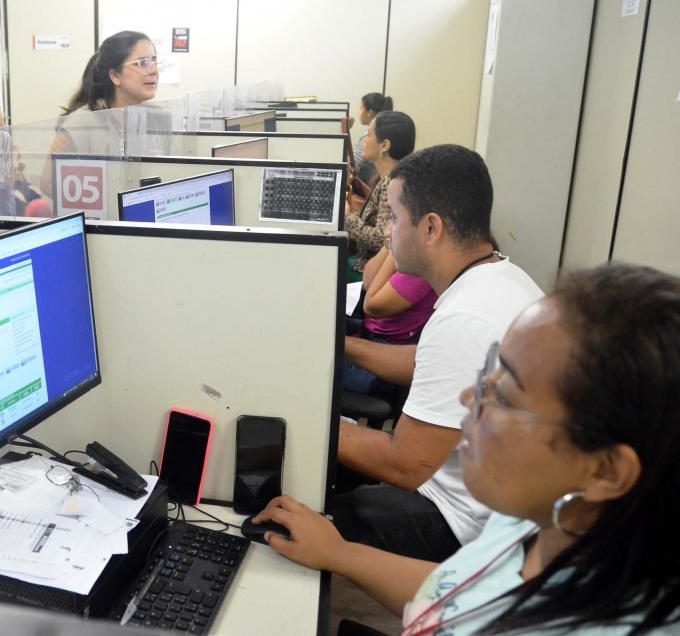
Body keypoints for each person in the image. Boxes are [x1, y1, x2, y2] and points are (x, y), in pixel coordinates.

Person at [256, 263, 680, 635]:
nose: (467, 399)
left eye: (507, 396)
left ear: (606, 471)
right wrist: (341, 555)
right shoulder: (544, 523)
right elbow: (464, 586)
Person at [337, 144, 543, 562]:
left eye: (395, 218)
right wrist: (342, 346)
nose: (389, 233)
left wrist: (304, 419)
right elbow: (424, 362)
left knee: (315, 511)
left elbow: (405, 464)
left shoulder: (466, 318)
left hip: (460, 522)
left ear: (431, 228)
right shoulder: (498, 275)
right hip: (492, 500)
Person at [41, 30, 162, 196]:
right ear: (115, 76)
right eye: (142, 63)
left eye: (154, 61)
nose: (154, 70)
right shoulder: (81, 124)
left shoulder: (156, 117)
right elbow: (48, 184)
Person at [343, 244, 436, 395]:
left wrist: (395, 244)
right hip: (370, 334)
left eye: (395, 220)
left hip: (383, 362)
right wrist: (390, 244)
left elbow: (372, 306)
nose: (386, 231)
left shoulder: (419, 263)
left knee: (309, 357)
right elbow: (368, 281)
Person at [344, 110, 414, 273]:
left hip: (368, 269)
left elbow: (382, 239)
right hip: (369, 265)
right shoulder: (388, 177)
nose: (364, 141)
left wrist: (347, 218)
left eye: (368, 135)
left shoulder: (392, 185)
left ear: (384, 145)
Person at [347, 92, 393, 187]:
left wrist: (345, 130)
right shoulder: (385, 130)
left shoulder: (372, 135)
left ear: (370, 112)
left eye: (361, 108)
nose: (359, 112)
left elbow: (352, 166)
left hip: (368, 185)